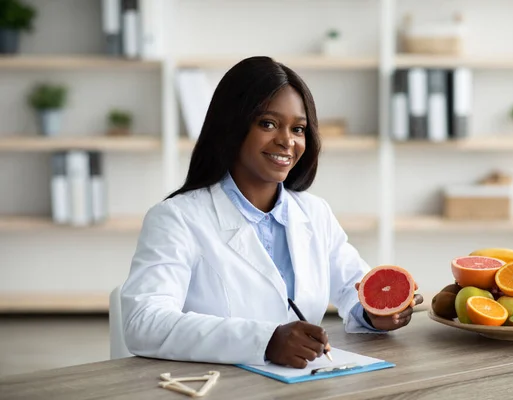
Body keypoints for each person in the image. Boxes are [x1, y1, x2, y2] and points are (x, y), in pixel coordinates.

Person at [120, 56, 423, 369]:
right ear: (232, 126)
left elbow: (352, 288)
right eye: (268, 123)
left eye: (299, 128)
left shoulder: (314, 213)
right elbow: (144, 322)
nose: (286, 141)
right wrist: (265, 341)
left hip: (302, 386)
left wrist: (378, 313)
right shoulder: (176, 219)